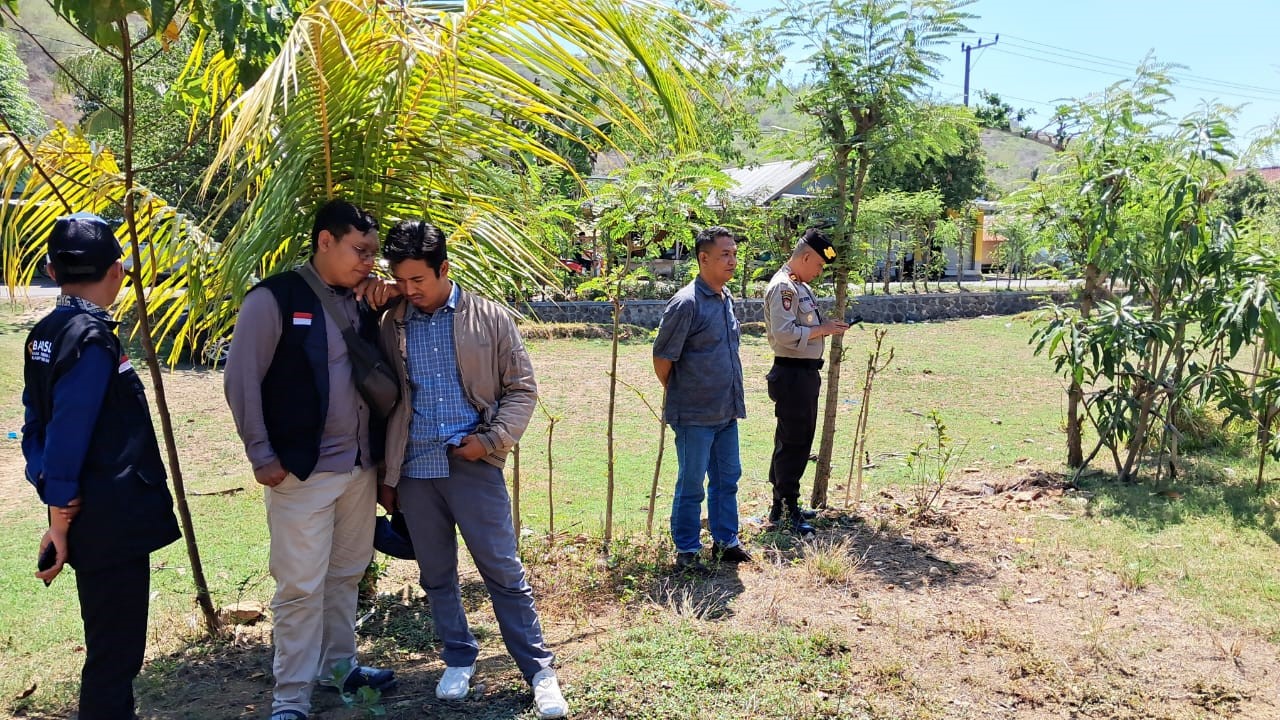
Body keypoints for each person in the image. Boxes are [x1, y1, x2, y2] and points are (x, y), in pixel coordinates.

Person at [376, 220, 568, 720]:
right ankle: (458, 658)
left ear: (444, 269)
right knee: (436, 574)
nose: (410, 290)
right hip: (415, 469)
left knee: (503, 572)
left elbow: (521, 389)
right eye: (401, 280)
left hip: (473, 465)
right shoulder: (390, 322)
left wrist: (489, 441)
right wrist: (388, 476)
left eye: (418, 279)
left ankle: (539, 671)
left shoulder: (489, 319)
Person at [224, 199, 397, 720]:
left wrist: (384, 302)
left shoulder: (362, 300)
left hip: (359, 469)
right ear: (325, 241)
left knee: (345, 573)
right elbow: (241, 380)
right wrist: (260, 454)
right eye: (359, 250)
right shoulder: (273, 299)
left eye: (373, 252)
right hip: (301, 470)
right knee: (299, 586)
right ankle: (290, 697)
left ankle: (339, 668)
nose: (369, 261)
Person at [21, 212, 182, 719]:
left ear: (51, 270)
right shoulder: (91, 339)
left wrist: (55, 509)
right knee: (116, 653)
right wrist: (61, 514)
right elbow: (70, 429)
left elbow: (35, 429)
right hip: (108, 517)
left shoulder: (45, 333)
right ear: (116, 272)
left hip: (83, 512)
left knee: (109, 646)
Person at [652, 226, 750, 574]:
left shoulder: (726, 298)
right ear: (703, 258)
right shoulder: (686, 303)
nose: (732, 261)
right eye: (725, 255)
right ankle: (687, 550)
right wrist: (684, 392)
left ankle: (725, 543)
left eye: (734, 254)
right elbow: (663, 358)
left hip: (726, 410)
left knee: (727, 479)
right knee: (691, 483)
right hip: (694, 414)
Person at [763, 228, 848, 536]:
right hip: (792, 373)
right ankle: (787, 509)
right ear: (806, 256)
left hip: (802, 373)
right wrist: (821, 330)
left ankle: (782, 505)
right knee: (794, 443)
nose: (819, 271)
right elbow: (785, 334)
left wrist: (825, 328)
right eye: (819, 265)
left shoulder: (799, 286)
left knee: (794, 441)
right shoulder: (785, 287)